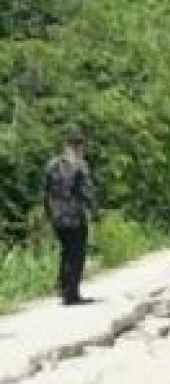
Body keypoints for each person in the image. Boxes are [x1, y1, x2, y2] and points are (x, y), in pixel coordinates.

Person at [43, 129, 96, 306]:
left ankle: (62, 287)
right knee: (76, 254)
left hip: (56, 214)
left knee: (65, 251)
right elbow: (87, 192)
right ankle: (71, 294)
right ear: (79, 146)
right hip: (74, 215)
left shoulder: (52, 164)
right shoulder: (80, 165)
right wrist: (93, 210)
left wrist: (48, 213)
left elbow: (45, 191)